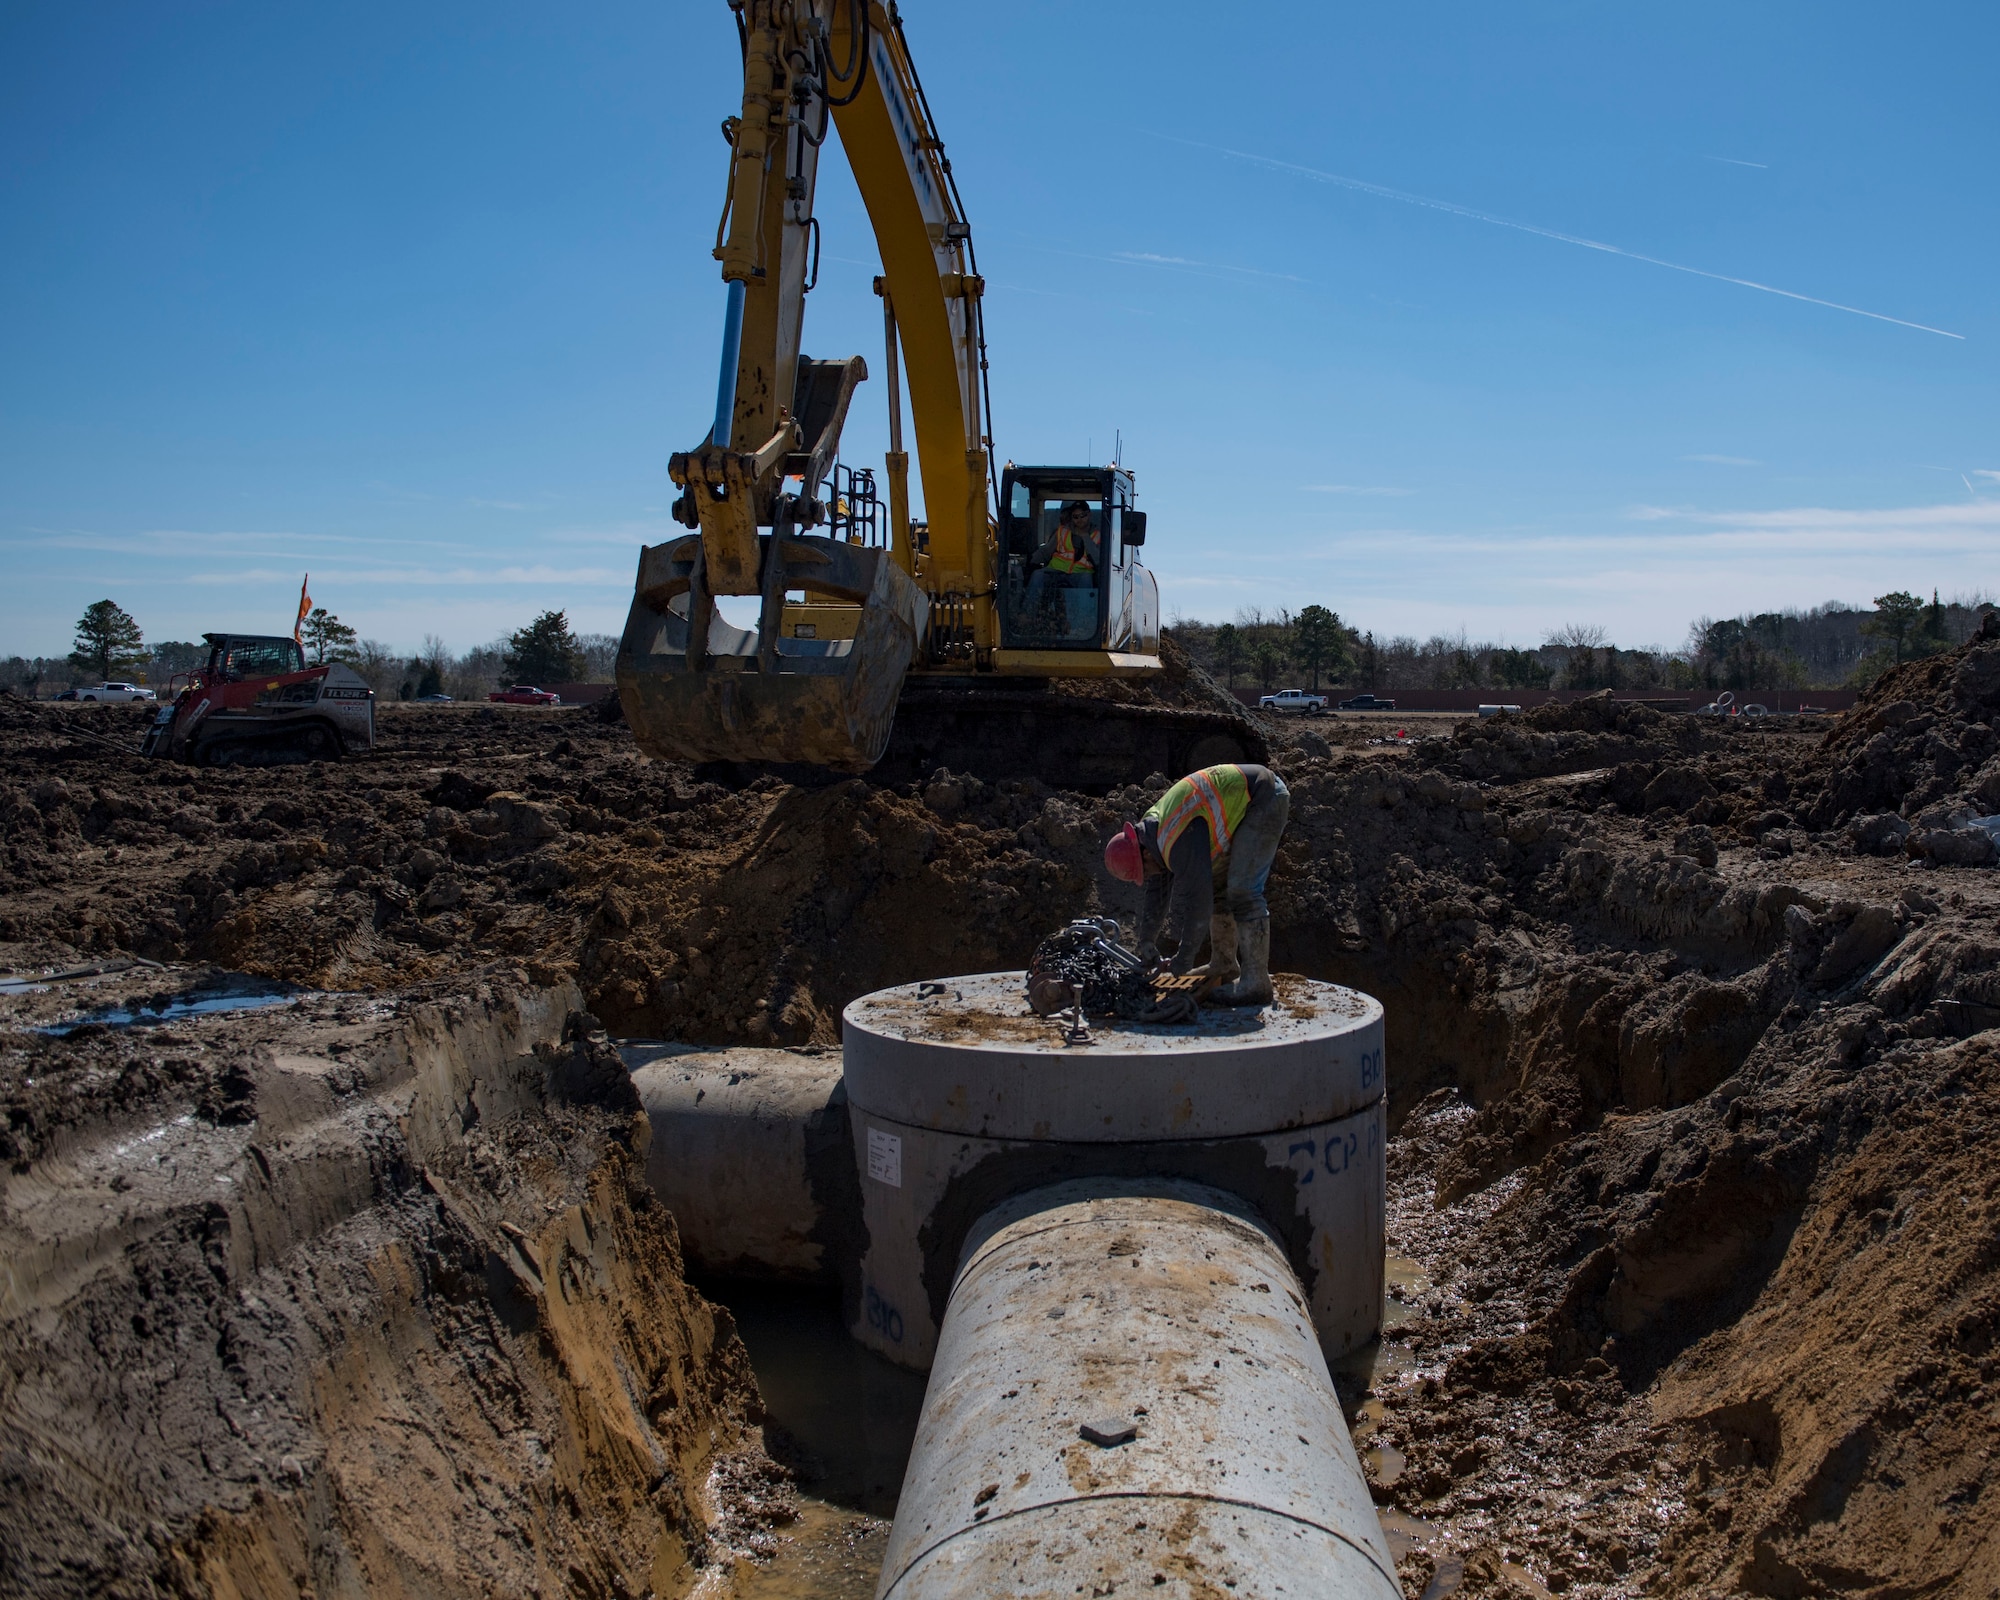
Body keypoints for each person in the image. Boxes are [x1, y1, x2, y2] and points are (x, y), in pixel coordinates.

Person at [1103, 762, 1290, 1006]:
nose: (1147, 876)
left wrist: (1185, 957)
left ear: (1145, 855)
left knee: (1243, 890)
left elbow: (1198, 903)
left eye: (1144, 871)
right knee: (1221, 891)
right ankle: (1224, 964)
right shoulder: (1150, 834)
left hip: (1263, 796)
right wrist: (1147, 940)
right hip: (1242, 799)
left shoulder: (1175, 836)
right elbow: (1157, 891)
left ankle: (1257, 983)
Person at [1024, 499, 1100, 627]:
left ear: (1089, 514)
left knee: (1087, 580)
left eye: (1083, 516)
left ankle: (1084, 621)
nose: (1080, 520)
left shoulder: (1097, 535)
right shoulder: (1062, 531)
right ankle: (1027, 615)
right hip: (1056, 572)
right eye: (1076, 517)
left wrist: (1085, 537)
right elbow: (1046, 552)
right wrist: (1030, 562)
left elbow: (1098, 559)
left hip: (1080, 575)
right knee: (1038, 575)